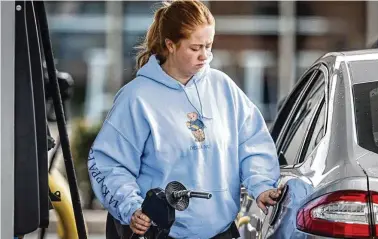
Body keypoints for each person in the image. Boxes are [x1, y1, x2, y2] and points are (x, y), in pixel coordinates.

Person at [88, 0, 283, 238]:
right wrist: (131, 207)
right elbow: (109, 163)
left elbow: (252, 144)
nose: (205, 56)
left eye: (208, 46)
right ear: (170, 45)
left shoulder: (223, 89)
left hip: (221, 232)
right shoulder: (137, 98)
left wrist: (262, 186)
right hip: (159, 233)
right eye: (195, 48)